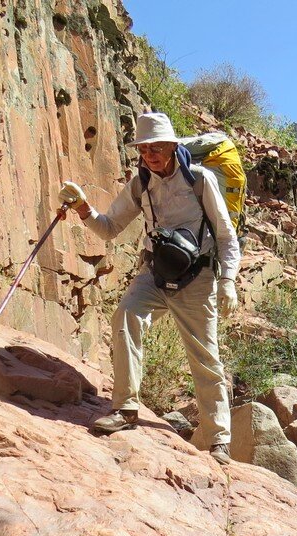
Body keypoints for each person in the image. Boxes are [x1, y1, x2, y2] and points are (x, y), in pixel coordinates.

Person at [58, 111, 240, 464]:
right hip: (155, 273)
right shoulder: (140, 184)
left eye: (157, 147)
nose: (151, 154)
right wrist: (82, 208)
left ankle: (219, 440)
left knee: (205, 357)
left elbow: (226, 236)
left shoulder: (199, 180)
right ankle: (125, 410)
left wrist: (228, 281)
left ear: (172, 146)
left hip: (197, 278)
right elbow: (110, 228)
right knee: (125, 317)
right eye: (144, 148)